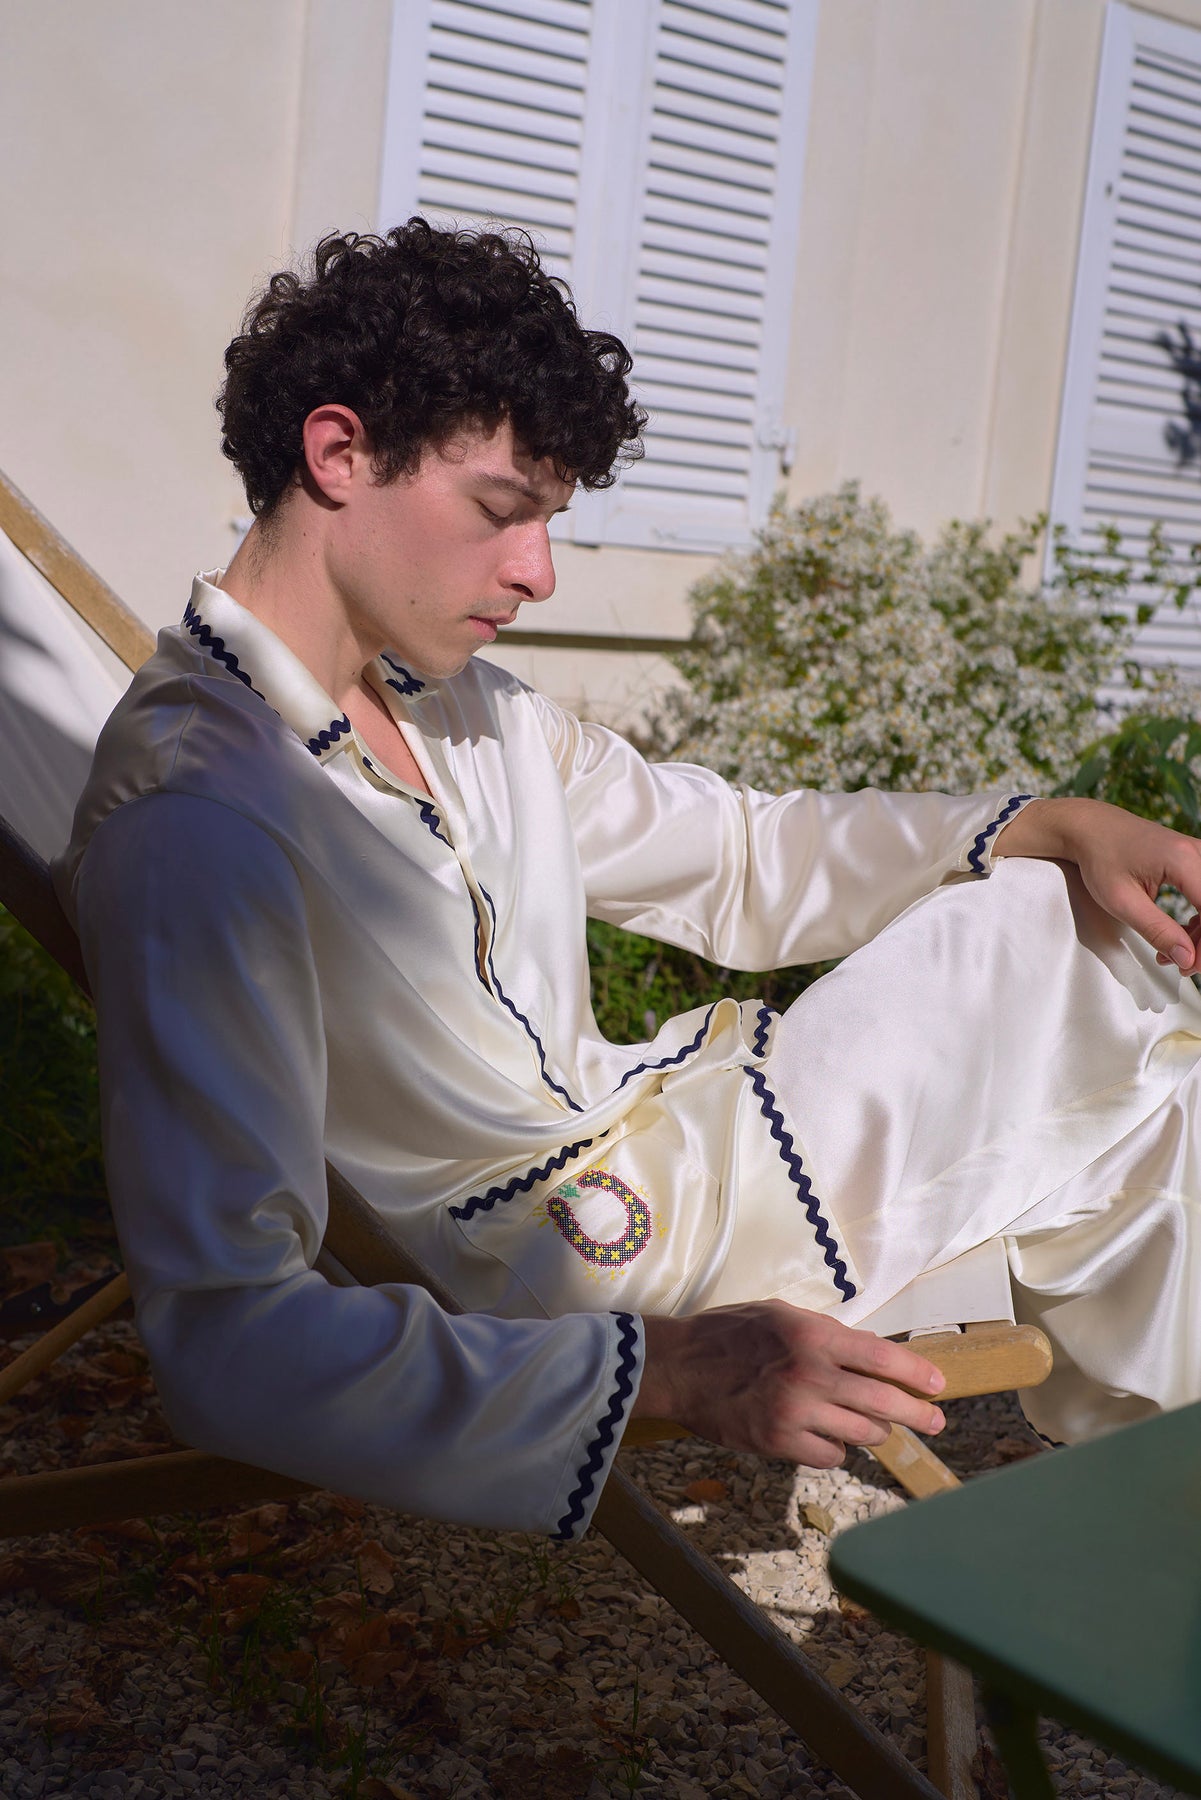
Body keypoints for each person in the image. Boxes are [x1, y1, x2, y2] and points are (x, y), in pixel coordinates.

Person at [54, 221, 1201, 1541]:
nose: (537, 573)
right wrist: (673, 1369)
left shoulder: (456, 712)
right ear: (338, 453)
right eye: (502, 511)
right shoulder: (201, 818)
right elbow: (227, 1335)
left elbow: (741, 856)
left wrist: (1046, 820)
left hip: (691, 1155)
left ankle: (1161, 1519)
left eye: (548, 522)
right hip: (590, 1271)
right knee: (1103, 1004)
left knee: (1111, 1030)